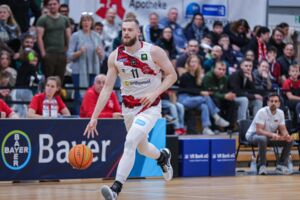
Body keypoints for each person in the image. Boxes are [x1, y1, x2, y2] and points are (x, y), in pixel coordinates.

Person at [84, 18, 177, 200]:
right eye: (124, 30)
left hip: (149, 107)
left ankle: (115, 189)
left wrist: (155, 93)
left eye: (129, 30)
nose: (126, 33)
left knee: (130, 142)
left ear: (138, 32)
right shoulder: (115, 56)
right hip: (128, 108)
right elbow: (107, 88)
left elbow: (172, 75)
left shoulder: (153, 51)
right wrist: (94, 117)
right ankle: (162, 157)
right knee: (142, 148)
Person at [177, 55, 230, 135]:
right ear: (188, 64)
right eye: (192, 62)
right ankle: (216, 116)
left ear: (198, 64)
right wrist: (201, 93)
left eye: (196, 62)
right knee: (205, 97)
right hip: (184, 99)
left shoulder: (197, 76)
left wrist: (207, 90)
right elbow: (190, 90)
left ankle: (206, 128)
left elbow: (202, 89)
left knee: (204, 106)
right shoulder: (185, 75)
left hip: (195, 99)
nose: (194, 64)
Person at [246, 93, 293, 175]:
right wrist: (272, 135)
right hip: (253, 135)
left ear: (279, 103)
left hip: (268, 136)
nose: (273, 103)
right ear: (268, 103)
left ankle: (281, 165)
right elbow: (259, 131)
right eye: (271, 101)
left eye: (276, 101)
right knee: (262, 138)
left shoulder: (281, 113)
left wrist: (287, 136)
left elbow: (283, 129)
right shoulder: (262, 112)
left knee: (289, 141)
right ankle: (262, 166)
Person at [36, 0, 71, 83]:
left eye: (54, 4)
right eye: (50, 4)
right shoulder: (42, 19)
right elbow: (39, 37)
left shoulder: (65, 19)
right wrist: (43, 53)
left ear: (58, 5)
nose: (52, 6)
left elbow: (68, 36)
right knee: (48, 79)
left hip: (62, 54)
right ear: (47, 6)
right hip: (49, 53)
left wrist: (68, 51)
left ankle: (57, 96)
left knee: (60, 80)